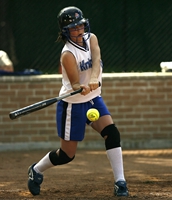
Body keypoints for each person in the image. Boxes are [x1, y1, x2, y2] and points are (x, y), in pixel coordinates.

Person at [27, 6, 129, 197]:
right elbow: (74, 83)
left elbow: (97, 59)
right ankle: (37, 170)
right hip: (72, 105)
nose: (79, 30)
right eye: (73, 28)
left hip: (94, 98)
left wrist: (92, 79)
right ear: (65, 31)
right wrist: (79, 86)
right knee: (67, 155)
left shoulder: (92, 38)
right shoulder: (67, 54)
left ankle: (120, 182)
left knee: (112, 134)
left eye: (80, 25)